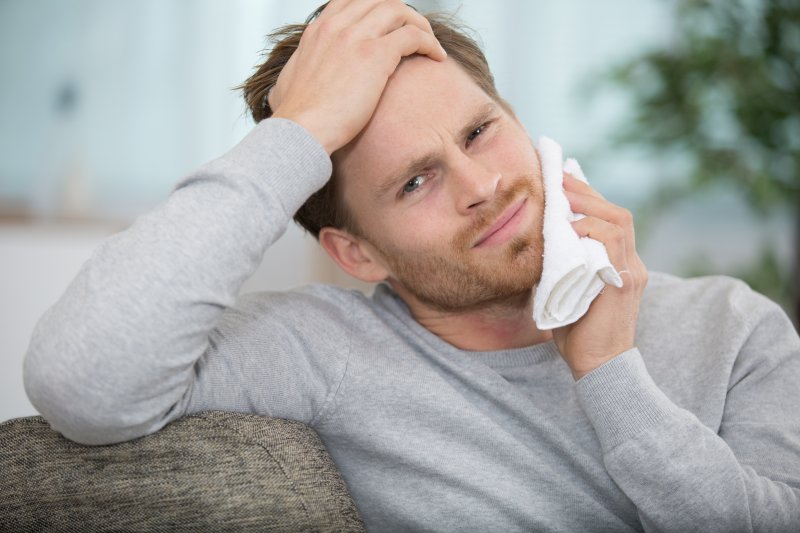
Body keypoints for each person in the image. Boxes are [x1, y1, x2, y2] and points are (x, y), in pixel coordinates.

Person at [23, 1, 800, 531]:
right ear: (355, 253)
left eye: (480, 131)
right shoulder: (324, 350)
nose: (482, 187)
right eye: (414, 180)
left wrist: (612, 374)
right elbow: (81, 378)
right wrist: (301, 131)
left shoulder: (736, 327)